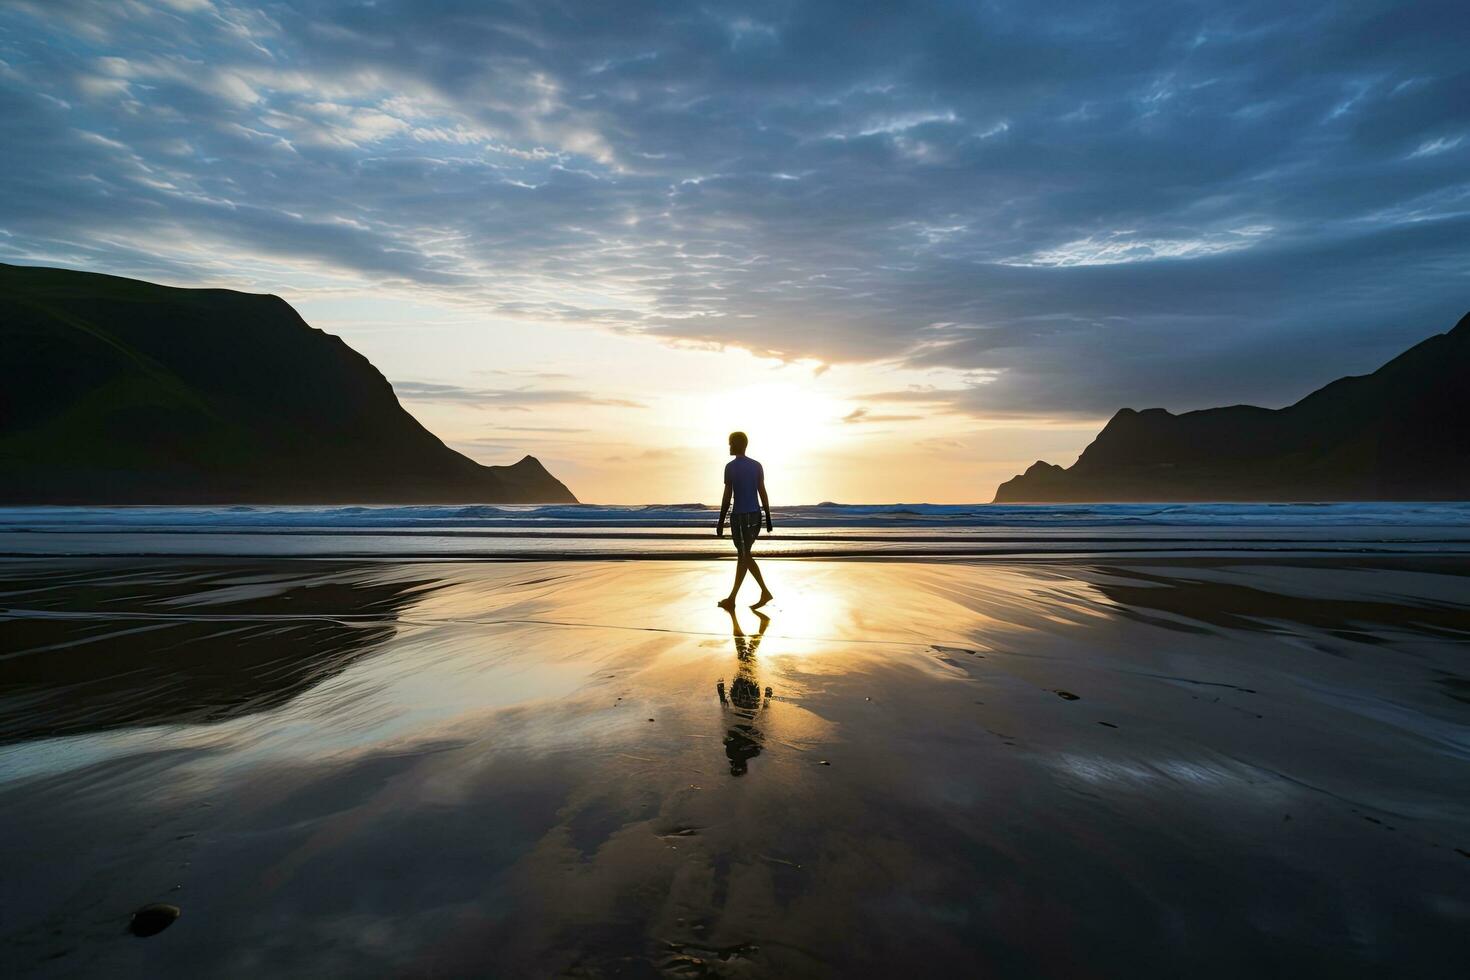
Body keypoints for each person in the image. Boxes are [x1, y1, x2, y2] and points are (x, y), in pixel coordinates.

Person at [715, 430, 773, 609]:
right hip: (755, 515)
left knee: (744, 555)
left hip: (740, 516)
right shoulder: (756, 465)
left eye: (731, 443)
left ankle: (761, 592)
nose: (729, 446)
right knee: (744, 555)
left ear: (738, 445)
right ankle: (734, 598)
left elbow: (727, 496)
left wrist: (720, 520)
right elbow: (762, 492)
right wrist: (768, 517)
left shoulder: (730, 467)